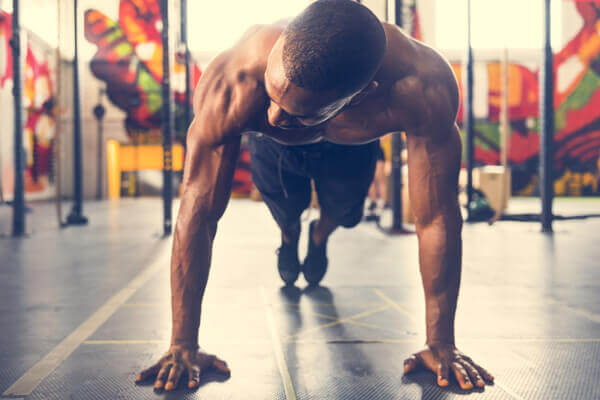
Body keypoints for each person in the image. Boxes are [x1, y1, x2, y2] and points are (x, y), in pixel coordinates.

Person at [136, 0, 494, 392]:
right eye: (273, 95)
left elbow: (437, 218)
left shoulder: (421, 84)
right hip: (276, 149)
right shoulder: (236, 79)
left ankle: (320, 236)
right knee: (287, 209)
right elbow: (198, 211)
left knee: (343, 210)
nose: (273, 115)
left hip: (353, 146)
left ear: (361, 95)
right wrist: (182, 344)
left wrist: (440, 343)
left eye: (293, 110)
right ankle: (290, 235)